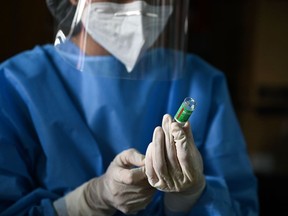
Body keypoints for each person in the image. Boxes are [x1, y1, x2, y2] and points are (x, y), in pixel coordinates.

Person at [0, 0, 259, 215]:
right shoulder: (15, 84)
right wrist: (87, 202)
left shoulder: (201, 82)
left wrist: (192, 197)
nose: (140, 6)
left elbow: (242, 208)